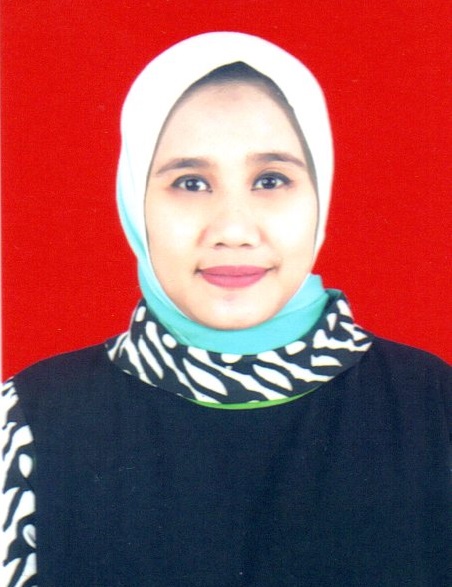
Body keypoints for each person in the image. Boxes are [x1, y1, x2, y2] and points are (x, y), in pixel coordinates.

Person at [1, 31, 450, 587]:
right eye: (191, 183)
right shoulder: (26, 422)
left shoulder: (437, 411)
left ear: (321, 195)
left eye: (271, 180)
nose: (233, 230)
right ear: (134, 201)